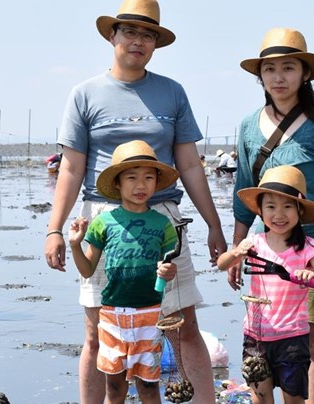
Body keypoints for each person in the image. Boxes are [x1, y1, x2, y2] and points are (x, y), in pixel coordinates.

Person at [42, 1, 228, 402]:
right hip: (103, 220)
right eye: (130, 32)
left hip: (162, 220)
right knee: (97, 331)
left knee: (182, 325)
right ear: (113, 36)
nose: (138, 41)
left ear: (156, 43)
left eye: (148, 35)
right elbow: (72, 169)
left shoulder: (172, 92)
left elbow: (190, 165)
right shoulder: (84, 94)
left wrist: (214, 224)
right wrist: (55, 229)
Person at [229, 28, 314, 404]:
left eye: (289, 68)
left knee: (313, 341)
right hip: (266, 252)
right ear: (260, 77)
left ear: (305, 74)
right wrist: (238, 248)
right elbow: (244, 192)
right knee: (264, 336)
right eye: (270, 69)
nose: (279, 77)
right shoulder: (249, 126)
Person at [67, 140, 180, 404]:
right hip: (111, 318)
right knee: (115, 389)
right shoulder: (103, 223)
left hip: (150, 317)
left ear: (156, 182)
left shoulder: (163, 225)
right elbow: (87, 269)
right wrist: (74, 245)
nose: (140, 186)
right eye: (131, 178)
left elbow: (168, 269)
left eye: (148, 178)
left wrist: (167, 271)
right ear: (117, 183)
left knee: (149, 388)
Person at [218, 165, 314, 403]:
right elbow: (222, 264)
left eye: (287, 206)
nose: (279, 215)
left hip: (293, 339)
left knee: (293, 399)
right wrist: (236, 252)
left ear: (299, 211)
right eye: (271, 207)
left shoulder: (309, 248)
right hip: (255, 337)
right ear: (261, 212)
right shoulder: (254, 243)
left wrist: (312, 280)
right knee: (260, 398)